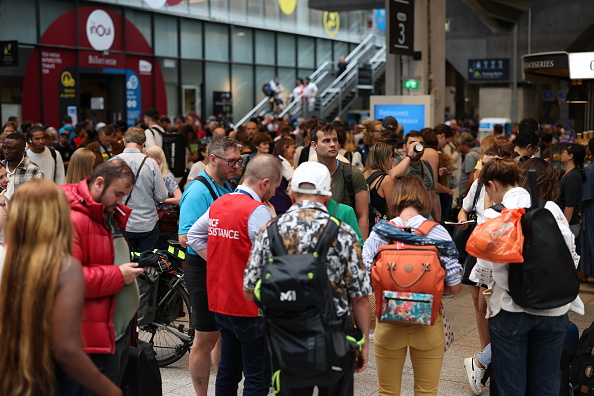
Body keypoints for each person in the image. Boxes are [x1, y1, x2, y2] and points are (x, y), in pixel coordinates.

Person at [244, 161, 372, 395]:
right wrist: (362, 342)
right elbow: (360, 298)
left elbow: (250, 288)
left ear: (292, 194)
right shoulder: (343, 233)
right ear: (327, 196)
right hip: (335, 339)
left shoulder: (270, 231)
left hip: (285, 338)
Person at [0, 179, 123, 396]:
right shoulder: (64, 268)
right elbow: (66, 350)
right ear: (57, 216)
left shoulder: (4, 258)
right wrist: (111, 391)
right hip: (51, 380)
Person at [476, 158, 580, 395]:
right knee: (547, 384)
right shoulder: (551, 208)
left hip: (511, 307)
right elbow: (572, 258)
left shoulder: (493, 215)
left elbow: (484, 267)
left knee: (511, 386)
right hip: (554, 308)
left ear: (492, 185)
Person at [187, 155, 281, 395]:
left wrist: (220, 261)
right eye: (274, 188)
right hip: (249, 306)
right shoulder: (257, 211)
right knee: (256, 375)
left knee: (227, 371)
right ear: (264, 183)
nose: (273, 194)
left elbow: (194, 236)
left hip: (220, 302)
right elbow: (274, 257)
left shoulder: (220, 203)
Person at [362, 176, 462, 395]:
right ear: (423, 198)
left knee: (387, 391)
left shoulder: (380, 233)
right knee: (427, 391)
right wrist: (429, 284)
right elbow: (455, 287)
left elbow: (365, 280)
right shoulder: (438, 232)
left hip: (388, 324)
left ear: (395, 198)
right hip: (428, 323)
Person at [61, 160, 145, 387]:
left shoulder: (108, 213)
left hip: (114, 331)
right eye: (117, 194)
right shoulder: (72, 218)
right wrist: (118, 275)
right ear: (99, 183)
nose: (120, 202)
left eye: (124, 196)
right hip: (91, 336)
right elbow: (69, 280)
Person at [178, 136, 242, 396]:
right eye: (232, 161)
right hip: (203, 269)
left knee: (222, 334)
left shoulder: (226, 184)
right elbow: (185, 238)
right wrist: (221, 261)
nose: (237, 166)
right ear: (213, 159)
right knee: (205, 339)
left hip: (220, 270)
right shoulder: (198, 190)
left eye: (240, 161)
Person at [112, 127, 168, 252]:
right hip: (148, 223)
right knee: (148, 264)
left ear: (124, 142)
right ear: (143, 144)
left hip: (123, 223)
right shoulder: (151, 163)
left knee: (125, 263)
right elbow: (162, 196)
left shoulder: (114, 162)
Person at [310, 122, 370, 239]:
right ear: (314, 145)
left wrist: (360, 248)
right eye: (326, 141)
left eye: (335, 140)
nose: (333, 144)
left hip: (346, 241)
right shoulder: (309, 174)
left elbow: (363, 216)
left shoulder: (353, 173)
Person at [391, 130, 441, 222]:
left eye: (420, 143)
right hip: (403, 221)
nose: (416, 145)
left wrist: (438, 222)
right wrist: (409, 156)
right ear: (404, 146)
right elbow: (393, 176)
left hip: (424, 220)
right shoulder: (397, 162)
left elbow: (433, 196)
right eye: (412, 143)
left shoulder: (427, 166)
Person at [363, 142, 395, 234]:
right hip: (381, 230)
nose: (393, 160)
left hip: (365, 227)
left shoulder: (362, 174)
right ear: (384, 159)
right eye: (391, 156)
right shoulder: (386, 180)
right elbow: (392, 211)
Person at [2, 132, 44, 200]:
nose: (6, 152)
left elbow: (39, 200)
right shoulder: (1, 167)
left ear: (22, 150)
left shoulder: (34, 171)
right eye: (4, 148)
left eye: (11, 148)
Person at [270, 137, 295, 215]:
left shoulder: (273, 159)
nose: (295, 150)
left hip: (273, 202)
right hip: (283, 203)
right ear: (285, 147)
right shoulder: (283, 162)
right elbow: (294, 181)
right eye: (293, 147)